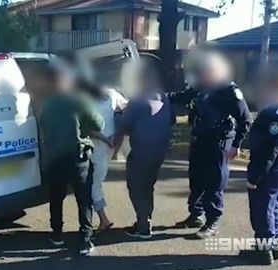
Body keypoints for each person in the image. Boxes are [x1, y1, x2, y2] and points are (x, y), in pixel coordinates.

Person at [168, 51, 252, 239]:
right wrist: (163, 96)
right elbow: (182, 96)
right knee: (196, 178)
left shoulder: (230, 91)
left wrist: (236, 145)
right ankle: (196, 215)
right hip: (200, 139)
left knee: (214, 182)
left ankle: (213, 221)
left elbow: (246, 120)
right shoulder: (201, 87)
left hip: (219, 142)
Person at [39, 62, 104, 255]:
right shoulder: (79, 100)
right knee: (83, 199)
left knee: (56, 197)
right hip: (78, 155)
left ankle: (56, 234)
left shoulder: (48, 102)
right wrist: (81, 127)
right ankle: (85, 239)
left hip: (55, 156)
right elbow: (98, 123)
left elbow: (44, 124)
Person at [239, 67, 278, 265]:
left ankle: (264, 249)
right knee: (274, 203)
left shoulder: (276, 113)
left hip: (273, 164)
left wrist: (255, 176)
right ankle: (273, 244)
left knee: (262, 205)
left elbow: (269, 149)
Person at [115, 65, 173, 239]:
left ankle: (143, 226)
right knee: (148, 186)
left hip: (141, 151)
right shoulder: (163, 96)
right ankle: (146, 219)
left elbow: (123, 126)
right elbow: (172, 119)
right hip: (159, 151)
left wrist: (118, 112)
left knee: (136, 188)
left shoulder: (138, 100)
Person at [88, 87, 128, 232]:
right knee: (95, 182)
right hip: (108, 142)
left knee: (93, 185)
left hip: (99, 144)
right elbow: (125, 107)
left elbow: (88, 127)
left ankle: (103, 220)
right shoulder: (111, 92)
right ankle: (99, 219)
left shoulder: (84, 97)